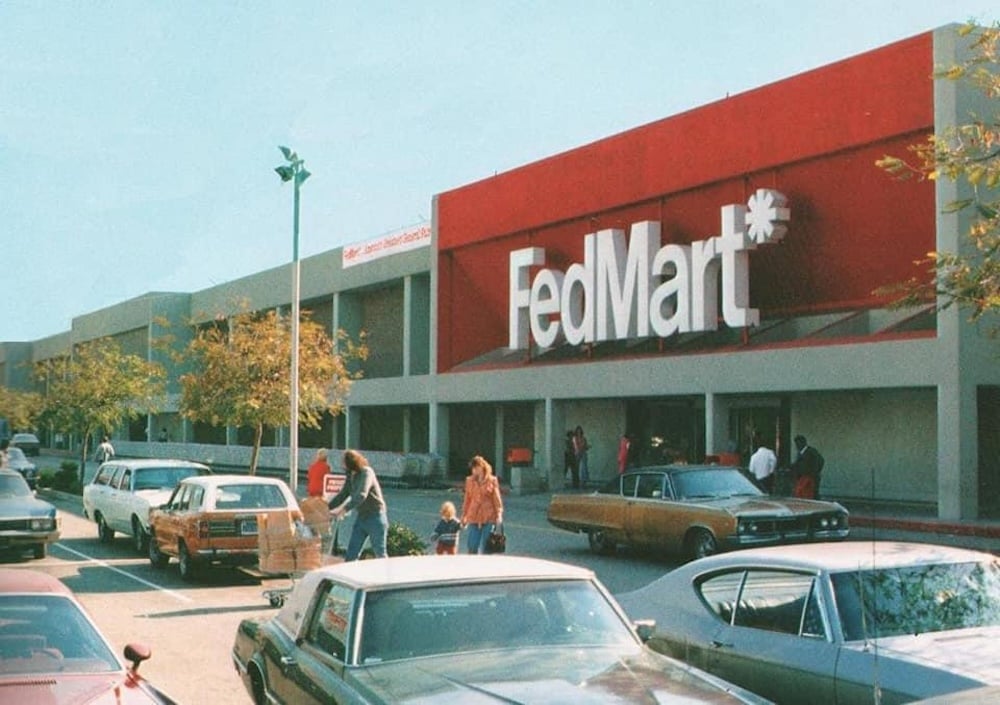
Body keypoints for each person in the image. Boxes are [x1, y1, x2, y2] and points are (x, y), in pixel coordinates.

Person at [328, 449, 389, 560]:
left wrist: (343, 510)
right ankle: (349, 575)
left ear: (352, 462)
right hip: (362, 517)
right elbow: (343, 494)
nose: (342, 465)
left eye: (344, 462)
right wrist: (326, 508)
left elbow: (361, 495)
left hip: (375, 516)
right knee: (352, 553)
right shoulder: (351, 475)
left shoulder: (366, 472)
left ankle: (387, 576)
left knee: (380, 553)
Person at [460, 455, 504, 554]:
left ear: (482, 466)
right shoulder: (469, 480)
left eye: (476, 467)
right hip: (473, 516)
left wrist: (499, 515)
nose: (474, 470)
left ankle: (485, 567)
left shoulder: (492, 480)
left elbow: (496, 500)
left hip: (488, 517)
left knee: (486, 547)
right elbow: (467, 499)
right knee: (472, 546)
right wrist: (464, 515)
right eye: (473, 468)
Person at [790, 434, 824, 499]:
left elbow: (821, 461)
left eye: (798, 443)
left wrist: (814, 472)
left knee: (811, 495)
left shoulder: (811, 451)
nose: (797, 446)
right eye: (796, 444)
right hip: (802, 478)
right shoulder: (800, 453)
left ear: (803, 443)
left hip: (810, 478)